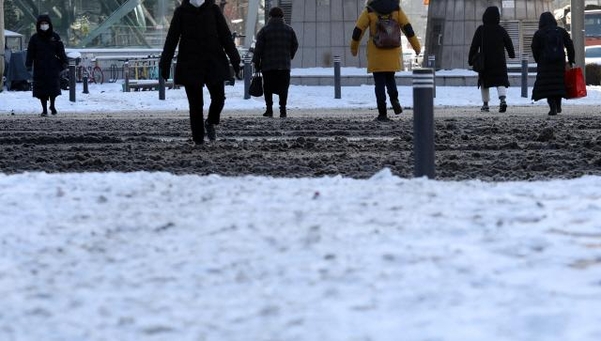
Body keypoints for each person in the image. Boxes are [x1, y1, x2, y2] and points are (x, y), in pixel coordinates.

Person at [159, 0, 241, 145]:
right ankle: (198, 139)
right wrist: (165, 64)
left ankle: (210, 121)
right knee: (195, 105)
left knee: (219, 98)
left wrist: (235, 60)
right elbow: (171, 39)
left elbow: (225, 36)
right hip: (190, 63)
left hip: (213, 62)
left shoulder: (214, 10)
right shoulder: (181, 12)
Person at [350, 0, 421, 122]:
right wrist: (416, 47)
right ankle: (394, 100)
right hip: (392, 52)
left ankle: (382, 114)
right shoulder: (396, 9)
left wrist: (354, 48)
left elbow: (358, 31)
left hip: (376, 53)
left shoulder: (369, 10)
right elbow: (407, 28)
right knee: (390, 78)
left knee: (379, 84)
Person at [252, 7, 298, 118]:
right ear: (282, 16)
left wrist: (256, 62)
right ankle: (283, 110)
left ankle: (269, 110)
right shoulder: (289, 30)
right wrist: (289, 56)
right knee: (283, 88)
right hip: (284, 65)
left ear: (270, 17)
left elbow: (258, 48)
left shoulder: (264, 31)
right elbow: (295, 45)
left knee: (268, 88)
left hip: (268, 66)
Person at [468, 6, 515, 113]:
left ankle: (485, 105)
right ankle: (502, 100)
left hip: (485, 62)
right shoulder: (501, 29)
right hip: (499, 61)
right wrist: (512, 54)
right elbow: (509, 43)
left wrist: (471, 59)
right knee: (500, 81)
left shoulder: (481, 30)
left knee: (485, 82)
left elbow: (474, 46)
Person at [531, 11, 575, 116]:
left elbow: (534, 48)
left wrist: (539, 60)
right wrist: (570, 60)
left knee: (548, 85)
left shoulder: (539, 33)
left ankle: (553, 107)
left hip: (545, 63)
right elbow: (570, 46)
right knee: (558, 84)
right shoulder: (561, 31)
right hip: (559, 62)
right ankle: (558, 105)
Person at [25, 14, 68, 117]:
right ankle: (44, 109)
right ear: (38, 25)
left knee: (53, 88)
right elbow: (30, 52)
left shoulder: (55, 37)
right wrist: (28, 64)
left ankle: (52, 106)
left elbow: (60, 51)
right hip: (40, 67)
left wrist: (64, 61)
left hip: (52, 67)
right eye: (42, 23)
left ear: (49, 24)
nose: (44, 25)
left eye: (46, 23)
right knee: (42, 90)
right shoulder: (34, 38)